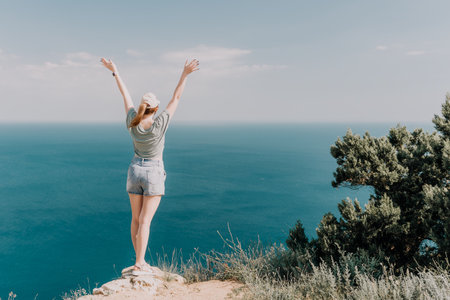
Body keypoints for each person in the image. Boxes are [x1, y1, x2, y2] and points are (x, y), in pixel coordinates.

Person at [100, 57, 199, 274]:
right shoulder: (160, 123)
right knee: (145, 221)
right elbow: (177, 97)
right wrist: (185, 74)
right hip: (153, 172)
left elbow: (124, 95)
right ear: (155, 108)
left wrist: (115, 70)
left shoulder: (132, 122)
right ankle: (139, 263)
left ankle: (140, 261)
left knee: (135, 219)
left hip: (134, 170)